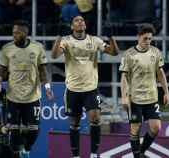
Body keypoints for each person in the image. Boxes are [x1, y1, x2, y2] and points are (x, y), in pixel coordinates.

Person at [51, 15, 119, 158]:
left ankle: (94, 154)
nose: (80, 22)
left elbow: (114, 52)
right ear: (72, 26)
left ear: (85, 26)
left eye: (82, 20)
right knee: (74, 124)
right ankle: (76, 155)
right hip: (73, 89)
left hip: (91, 88)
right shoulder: (67, 41)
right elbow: (54, 55)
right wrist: (58, 36)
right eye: (76, 20)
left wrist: (111, 37)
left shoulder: (94, 40)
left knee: (95, 118)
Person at [0, 20, 54, 158]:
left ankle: (27, 150)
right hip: (13, 96)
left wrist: (47, 87)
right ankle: (17, 153)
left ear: (25, 33)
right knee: (14, 131)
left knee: (34, 130)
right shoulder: (7, 49)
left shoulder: (37, 47)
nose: (14, 35)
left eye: (17, 32)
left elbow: (42, 70)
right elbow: (3, 71)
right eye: (13, 33)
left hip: (32, 96)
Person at [119, 24, 169, 158]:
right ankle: (137, 156)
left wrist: (166, 92)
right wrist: (124, 97)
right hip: (135, 99)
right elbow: (124, 77)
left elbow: (160, 73)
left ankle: (140, 152)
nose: (148, 41)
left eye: (150, 39)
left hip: (151, 97)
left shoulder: (155, 52)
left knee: (156, 127)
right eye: (145, 38)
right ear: (138, 37)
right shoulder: (129, 54)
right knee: (135, 129)